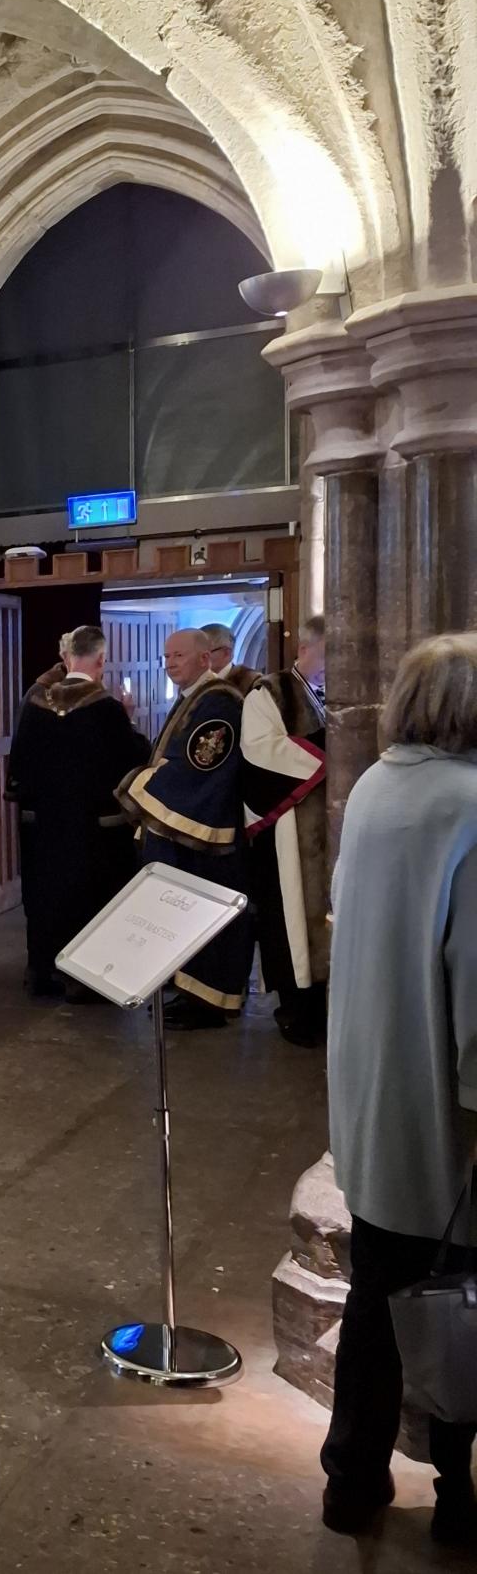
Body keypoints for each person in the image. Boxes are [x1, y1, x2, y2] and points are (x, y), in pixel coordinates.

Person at [320, 633, 477, 1549]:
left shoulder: (377, 787)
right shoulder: (468, 805)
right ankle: (459, 1498)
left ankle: (351, 1478)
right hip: (444, 1116)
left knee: (375, 1296)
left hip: (376, 1090)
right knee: (461, 1303)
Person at [116, 628, 252, 1029]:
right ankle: (190, 992)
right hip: (185, 836)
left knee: (202, 915)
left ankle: (207, 1000)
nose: (170, 662)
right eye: (167, 656)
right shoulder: (196, 697)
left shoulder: (219, 702)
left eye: (178, 655)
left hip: (205, 837)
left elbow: (200, 766)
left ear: (205, 659)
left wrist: (139, 786)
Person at [6, 624, 148, 1000]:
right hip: (95, 831)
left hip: (45, 829)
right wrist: (130, 720)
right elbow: (133, 762)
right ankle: (86, 980)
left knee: (45, 896)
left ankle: (43, 972)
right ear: (101, 659)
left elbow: (18, 766)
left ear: (68, 656)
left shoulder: (36, 704)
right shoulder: (107, 709)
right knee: (93, 898)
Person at [243, 635, 330, 1046]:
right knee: (291, 919)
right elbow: (260, 751)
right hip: (291, 830)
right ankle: (297, 1007)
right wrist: (333, 748)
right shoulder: (271, 693)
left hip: (330, 828)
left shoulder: (333, 693)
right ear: (306, 648)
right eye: (330, 652)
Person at [200, 620, 261, 696]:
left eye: (206, 654)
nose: (199, 659)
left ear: (226, 653)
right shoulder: (194, 681)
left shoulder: (251, 682)